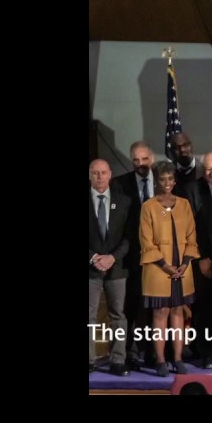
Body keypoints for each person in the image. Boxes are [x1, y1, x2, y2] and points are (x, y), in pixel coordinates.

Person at [139, 161, 199, 377]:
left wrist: (183, 264)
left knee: (178, 312)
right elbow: (146, 243)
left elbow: (192, 237)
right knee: (161, 312)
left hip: (183, 269)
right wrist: (165, 266)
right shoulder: (148, 207)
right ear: (156, 181)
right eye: (162, 179)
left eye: (170, 179)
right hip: (158, 270)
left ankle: (178, 358)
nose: (166, 183)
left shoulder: (184, 204)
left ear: (175, 180)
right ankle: (161, 360)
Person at [113, 140, 156, 369]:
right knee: (129, 308)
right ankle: (129, 354)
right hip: (130, 259)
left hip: (158, 260)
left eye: (144, 159)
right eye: (136, 160)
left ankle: (153, 353)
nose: (140, 164)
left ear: (152, 159)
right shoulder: (119, 185)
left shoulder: (164, 182)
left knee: (153, 308)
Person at [89, 159, 134, 376]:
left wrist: (112, 258)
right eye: (95, 173)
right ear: (89, 175)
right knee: (90, 315)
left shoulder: (123, 201)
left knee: (118, 314)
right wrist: (95, 257)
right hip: (90, 268)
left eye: (103, 172)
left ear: (110, 175)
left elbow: (129, 237)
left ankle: (118, 360)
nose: (99, 177)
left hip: (116, 268)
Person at [183, 151, 212, 368]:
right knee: (206, 309)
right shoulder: (192, 190)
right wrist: (200, 258)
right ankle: (207, 354)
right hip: (204, 258)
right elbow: (189, 229)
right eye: (207, 169)